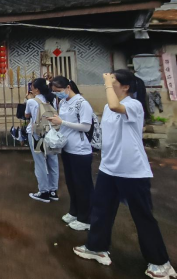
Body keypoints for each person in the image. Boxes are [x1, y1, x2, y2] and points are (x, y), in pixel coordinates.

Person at [74, 70, 176, 280]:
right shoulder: (107, 107)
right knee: (101, 209)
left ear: (125, 86)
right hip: (109, 168)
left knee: (142, 215)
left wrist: (106, 82)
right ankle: (96, 247)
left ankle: (160, 263)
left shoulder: (134, 105)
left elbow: (115, 105)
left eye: (113, 81)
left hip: (132, 171)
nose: (109, 84)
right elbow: (110, 118)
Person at [47, 76, 94, 231]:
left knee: (82, 185)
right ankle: (74, 211)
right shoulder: (63, 102)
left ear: (68, 87)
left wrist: (62, 122)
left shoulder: (82, 103)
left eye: (58, 91)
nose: (57, 94)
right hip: (67, 148)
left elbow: (86, 127)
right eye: (54, 92)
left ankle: (86, 218)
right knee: (72, 183)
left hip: (80, 150)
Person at [25, 78, 60, 204]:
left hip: (36, 134)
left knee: (40, 162)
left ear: (37, 89)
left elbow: (27, 115)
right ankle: (53, 191)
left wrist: (28, 99)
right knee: (53, 161)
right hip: (51, 134)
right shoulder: (52, 99)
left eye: (32, 87)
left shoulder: (32, 101)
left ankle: (43, 191)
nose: (31, 89)